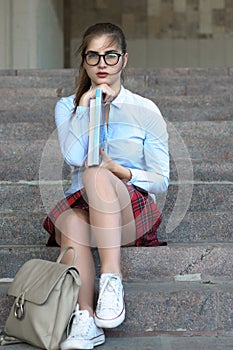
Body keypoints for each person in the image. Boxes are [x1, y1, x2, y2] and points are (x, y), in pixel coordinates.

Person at [43, 22, 170, 350]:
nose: (102, 64)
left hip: (129, 210)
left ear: (124, 60)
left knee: (99, 174)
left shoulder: (146, 110)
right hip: (85, 208)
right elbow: (74, 156)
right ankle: (85, 319)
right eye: (94, 56)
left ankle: (112, 277)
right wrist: (86, 107)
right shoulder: (68, 107)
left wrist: (122, 172)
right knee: (72, 217)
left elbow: (160, 179)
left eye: (110, 55)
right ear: (84, 61)